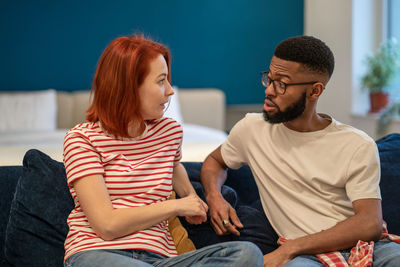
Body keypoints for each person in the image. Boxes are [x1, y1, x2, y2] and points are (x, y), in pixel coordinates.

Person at [62, 34, 263, 267]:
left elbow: (173, 165)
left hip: (160, 259)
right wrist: (177, 205)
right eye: (161, 81)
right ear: (128, 86)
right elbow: (106, 225)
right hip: (99, 254)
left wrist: (192, 198)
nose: (170, 91)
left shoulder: (169, 132)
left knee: (247, 255)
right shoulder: (82, 139)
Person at [200, 35, 400, 267]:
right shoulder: (251, 129)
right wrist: (214, 196)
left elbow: (369, 224)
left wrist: (289, 249)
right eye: (269, 78)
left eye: (282, 83)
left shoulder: (357, 144)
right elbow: (215, 161)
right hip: (306, 258)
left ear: (315, 91)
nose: (269, 91)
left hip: (368, 247)